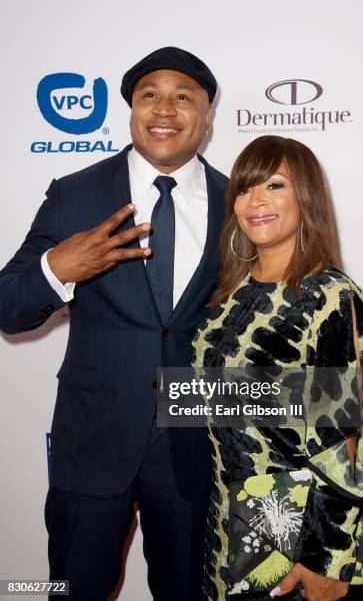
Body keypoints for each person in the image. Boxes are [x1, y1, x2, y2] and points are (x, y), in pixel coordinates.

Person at [0, 47, 228, 600]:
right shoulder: (74, 193)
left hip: (198, 445)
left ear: (207, 115)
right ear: (130, 110)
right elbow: (7, 307)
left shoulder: (239, 199)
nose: (165, 110)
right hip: (93, 438)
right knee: (71, 589)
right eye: (150, 95)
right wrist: (59, 269)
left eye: (183, 97)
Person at [192, 135, 363, 600]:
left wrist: (323, 557)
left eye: (274, 185)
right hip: (232, 517)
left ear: (305, 197)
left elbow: (345, 440)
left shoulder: (329, 296)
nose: (255, 201)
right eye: (244, 189)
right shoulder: (231, 295)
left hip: (302, 528)